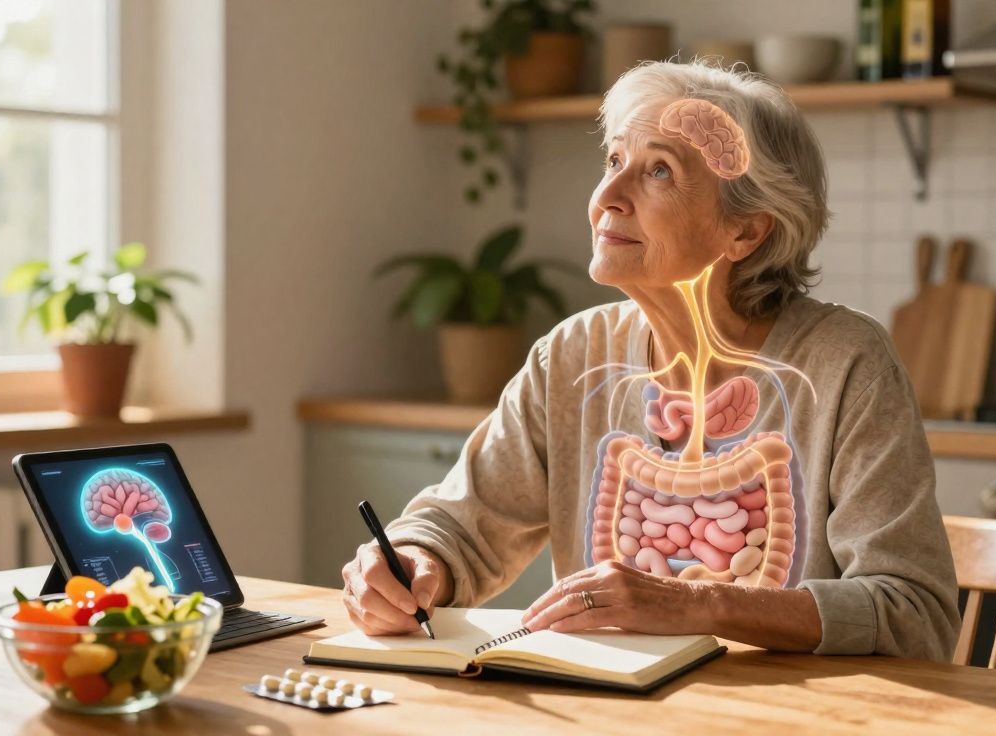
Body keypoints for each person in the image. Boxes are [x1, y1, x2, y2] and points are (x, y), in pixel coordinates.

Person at [341, 60, 960, 661]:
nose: (607, 196)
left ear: (744, 232)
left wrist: (696, 603)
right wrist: (409, 561)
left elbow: (914, 614)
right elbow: (460, 530)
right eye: (614, 160)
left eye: (659, 171)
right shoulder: (571, 357)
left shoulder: (846, 363)